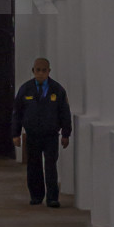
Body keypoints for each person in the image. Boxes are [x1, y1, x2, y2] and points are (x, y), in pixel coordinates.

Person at [11, 57, 71, 208]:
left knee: (51, 166)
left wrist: (66, 134)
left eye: (44, 70)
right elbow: (17, 113)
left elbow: (64, 112)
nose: (41, 73)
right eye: (38, 70)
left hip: (51, 135)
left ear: (49, 71)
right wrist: (15, 134)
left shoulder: (57, 90)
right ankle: (36, 196)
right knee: (33, 166)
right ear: (33, 71)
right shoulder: (25, 90)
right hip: (32, 135)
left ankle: (52, 198)